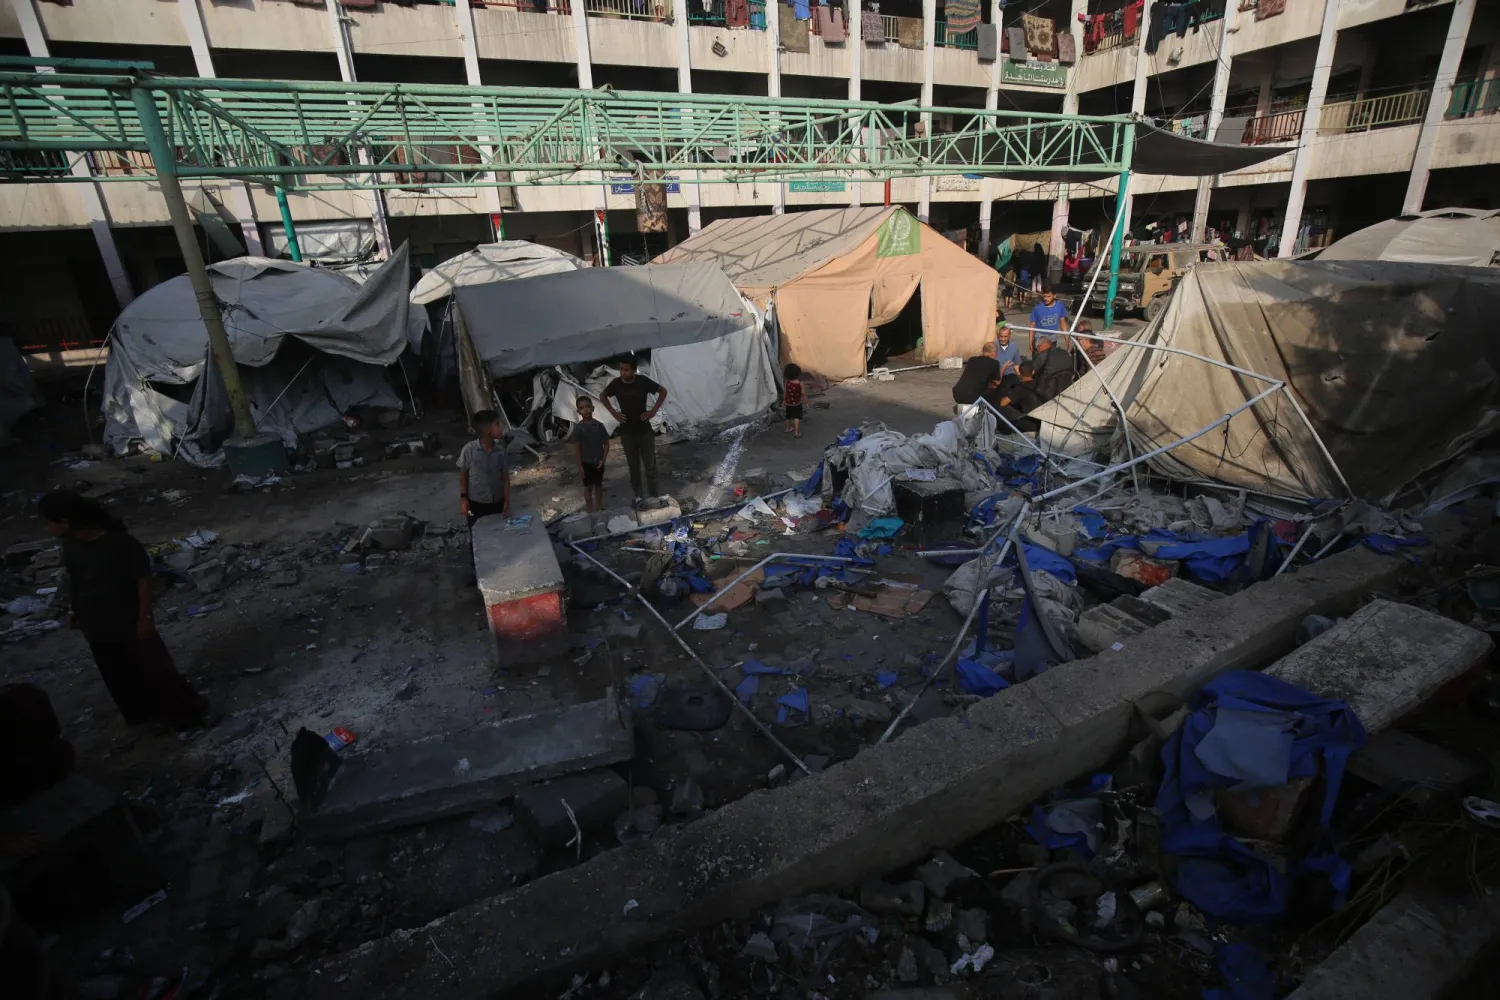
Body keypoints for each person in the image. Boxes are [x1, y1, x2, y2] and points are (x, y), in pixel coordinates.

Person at [37, 491, 208, 729]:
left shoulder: (118, 543)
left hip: (126, 619)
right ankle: (146, 718)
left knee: (155, 671)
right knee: (119, 675)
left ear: (65, 521)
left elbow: (143, 580)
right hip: (95, 624)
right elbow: (77, 580)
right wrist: (74, 611)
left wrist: (145, 617)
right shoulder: (72, 547)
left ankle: (186, 715)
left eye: (48, 522)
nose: (46, 529)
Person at [601, 356, 667, 507]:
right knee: (634, 467)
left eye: (626, 370)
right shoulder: (616, 384)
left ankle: (654, 496)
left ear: (633, 370)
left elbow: (663, 391)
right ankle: (638, 497)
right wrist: (614, 413)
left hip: (644, 431)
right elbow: (602, 396)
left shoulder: (642, 381)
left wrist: (653, 411)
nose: (623, 373)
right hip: (627, 432)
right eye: (621, 369)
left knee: (650, 466)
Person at [458, 409, 510, 526]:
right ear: (487, 430)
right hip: (476, 504)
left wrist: (507, 501)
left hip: (497, 503)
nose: (501, 427)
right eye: (497, 424)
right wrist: (463, 498)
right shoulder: (469, 450)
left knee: (498, 533)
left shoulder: (501, 452)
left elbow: (506, 479)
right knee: (477, 535)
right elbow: (463, 476)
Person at [567, 397, 610, 514]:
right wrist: (580, 465)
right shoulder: (578, 428)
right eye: (581, 408)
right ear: (578, 412)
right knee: (588, 487)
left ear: (592, 408)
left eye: (587, 406)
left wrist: (603, 460)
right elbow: (577, 448)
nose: (585, 409)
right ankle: (590, 508)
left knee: (598, 485)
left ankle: (599, 506)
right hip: (586, 462)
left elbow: (606, 444)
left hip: (599, 461)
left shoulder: (600, 426)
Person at [951, 342, 1001, 406]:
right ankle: (992, 413)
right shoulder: (995, 363)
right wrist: (1003, 369)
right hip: (973, 397)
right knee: (998, 391)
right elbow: (997, 383)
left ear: (983, 351)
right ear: (994, 353)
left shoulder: (972, 359)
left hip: (957, 394)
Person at [1028, 287, 1070, 354]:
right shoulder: (1037, 308)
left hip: (1052, 337)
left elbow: (1062, 322)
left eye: (1048, 296)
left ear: (1054, 296)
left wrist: (1067, 340)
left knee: (1051, 359)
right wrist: (1030, 342)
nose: (1045, 299)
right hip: (1040, 337)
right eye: (1044, 296)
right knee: (1040, 359)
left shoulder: (1060, 306)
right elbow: (1032, 325)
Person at [783, 363, 805, 438]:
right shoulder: (800, 384)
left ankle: (787, 428)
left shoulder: (787, 383)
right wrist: (807, 401)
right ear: (798, 374)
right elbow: (803, 393)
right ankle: (796, 432)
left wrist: (784, 401)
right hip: (797, 404)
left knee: (788, 416)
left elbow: (785, 393)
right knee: (797, 417)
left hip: (788, 403)